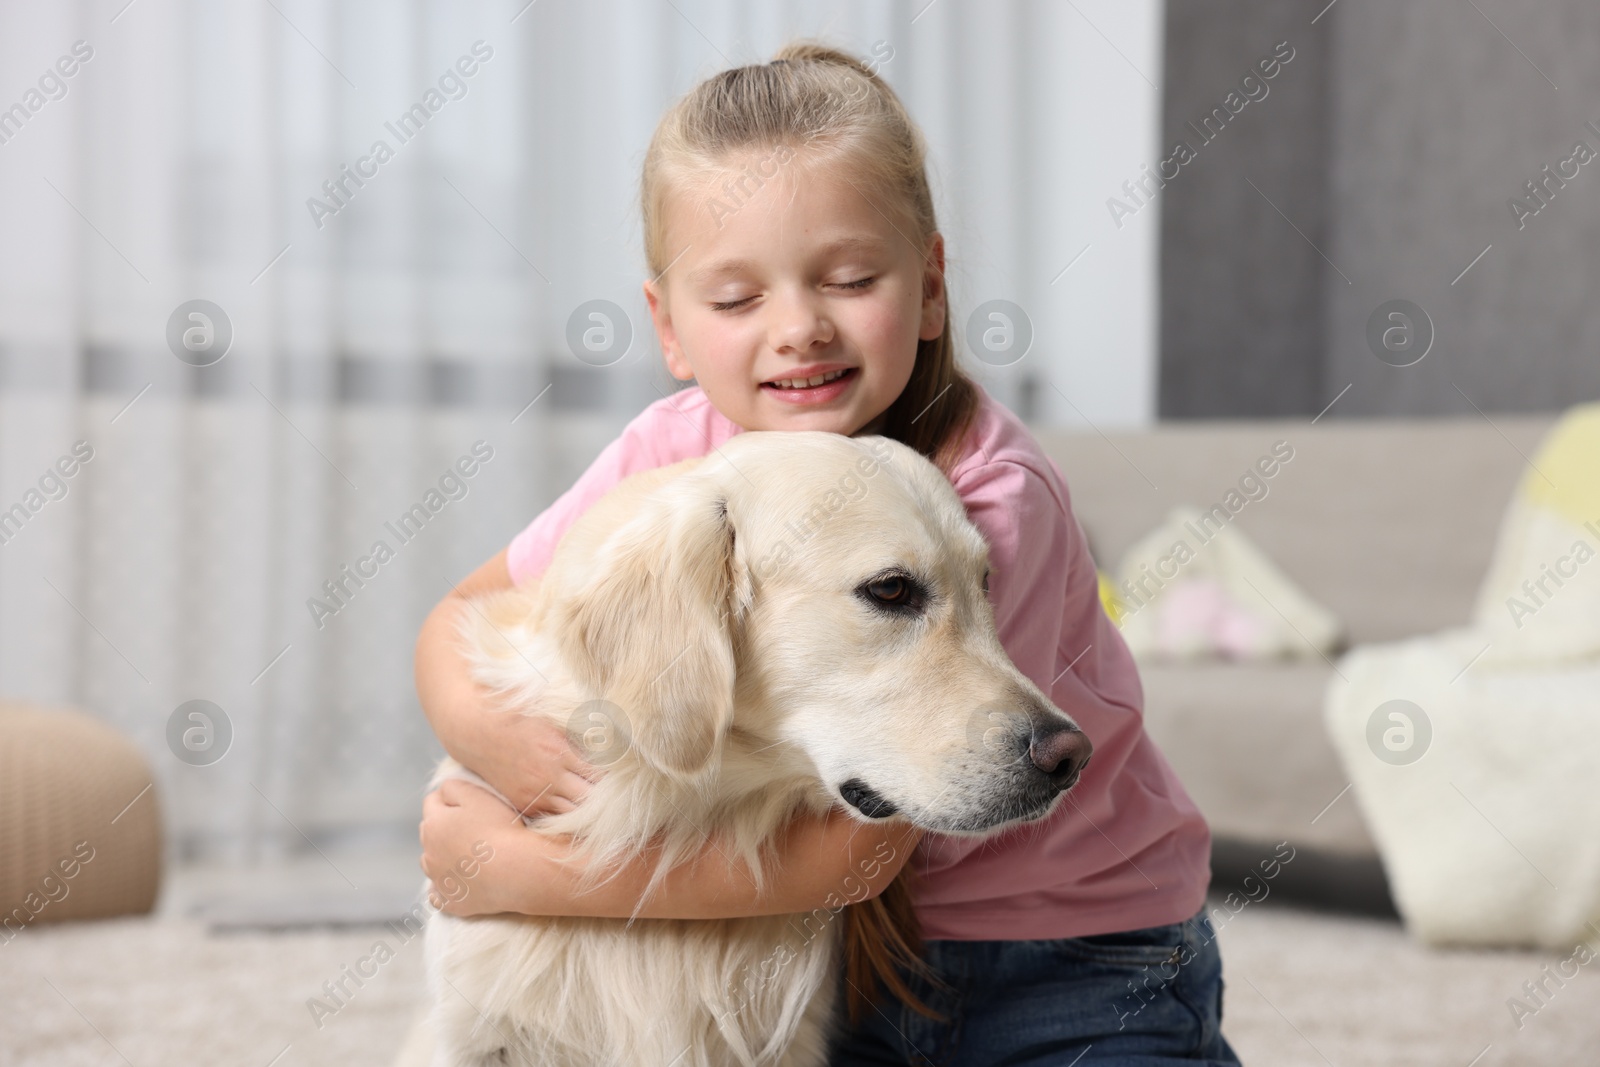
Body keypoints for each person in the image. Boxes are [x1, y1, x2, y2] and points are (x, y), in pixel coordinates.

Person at [416, 39, 1241, 1066]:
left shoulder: (982, 496)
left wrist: (522, 870)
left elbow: (863, 850)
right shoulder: (672, 455)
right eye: (735, 299)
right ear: (668, 325)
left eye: (849, 278)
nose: (799, 327)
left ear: (930, 286)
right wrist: (505, 756)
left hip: (1073, 959)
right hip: (849, 970)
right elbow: (464, 613)